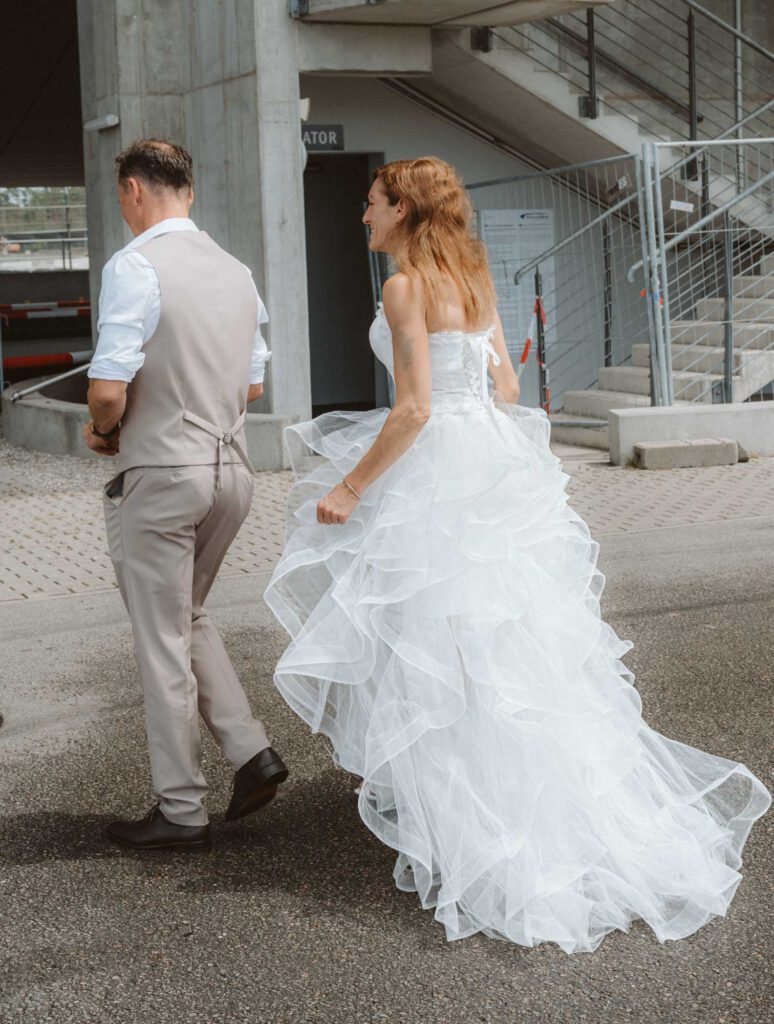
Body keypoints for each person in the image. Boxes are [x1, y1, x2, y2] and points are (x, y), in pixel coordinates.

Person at [264, 156, 771, 953]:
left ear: (404, 210)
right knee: (510, 647)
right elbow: (503, 390)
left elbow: (416, 408)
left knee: (447, 650)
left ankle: (480, 828)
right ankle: (527, 810)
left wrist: (353, 488)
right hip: (493, 462)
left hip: (439, 470)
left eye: (371, 205)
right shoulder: (473, 278)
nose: (363, 218)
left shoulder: (403, 288)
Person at [84, 138, 287, 851]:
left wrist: (105, 429)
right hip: (233, 470)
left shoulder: (134, 265)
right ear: (190, 193)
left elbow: (108, 389)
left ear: (132, 190)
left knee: (161, 639)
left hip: (166, 471)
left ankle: (181, 808)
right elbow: (254, 384)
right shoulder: (237, 272)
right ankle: (251, 749)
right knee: (187, 615)